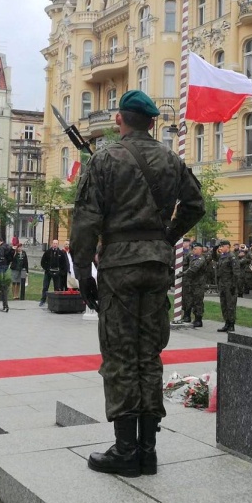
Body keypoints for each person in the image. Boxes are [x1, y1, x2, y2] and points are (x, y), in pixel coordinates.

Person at [70, 90, 205, 477]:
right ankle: (148, 450)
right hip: (157, 266)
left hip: (119, 268)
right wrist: (166, 237)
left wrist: (82, 273)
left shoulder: (104, 159)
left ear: (120, 120)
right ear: (151, 123)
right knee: (149, 354)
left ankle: (126, 450)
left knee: (121, 355)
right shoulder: (170, 160)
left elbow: (86, 220)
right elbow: (195, 205)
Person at [215, 240, 240, 332]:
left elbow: (236, 273)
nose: (220, 248)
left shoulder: (232, 257)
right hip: (222, 284)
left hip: (230, 285)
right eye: (220, 246)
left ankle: (231, 324)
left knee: (230, 305)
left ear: (227, 247)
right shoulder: (222, 257)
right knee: (224, 305)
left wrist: (234, 285)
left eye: (222, 246)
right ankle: (227, 322)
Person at [183, 242, 209, 328]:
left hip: (198, 284)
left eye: (195, 249)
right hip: (190, 283)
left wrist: (182, 274)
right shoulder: (192, 257)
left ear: (200, 250)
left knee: (198, 301)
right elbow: (185, 265)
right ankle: (187, 316)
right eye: (192, 249)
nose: (193, 250)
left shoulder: (201, 259)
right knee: (188, 299)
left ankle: (198, 319)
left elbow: (193, 269)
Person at [39, 239, 68, 307]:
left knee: (57, 288)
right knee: (45, 287)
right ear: (52, 244)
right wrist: (47, 269)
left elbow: (64, 264)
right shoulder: (47, 252)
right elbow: (43, 262)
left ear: (58, 244)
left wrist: (60, 272)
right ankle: (43, 300)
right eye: (54, 243)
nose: (55, 245)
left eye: (56, 243)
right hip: (48, 272)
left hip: (57, 273)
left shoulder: (61, 253)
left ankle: (56, 301)